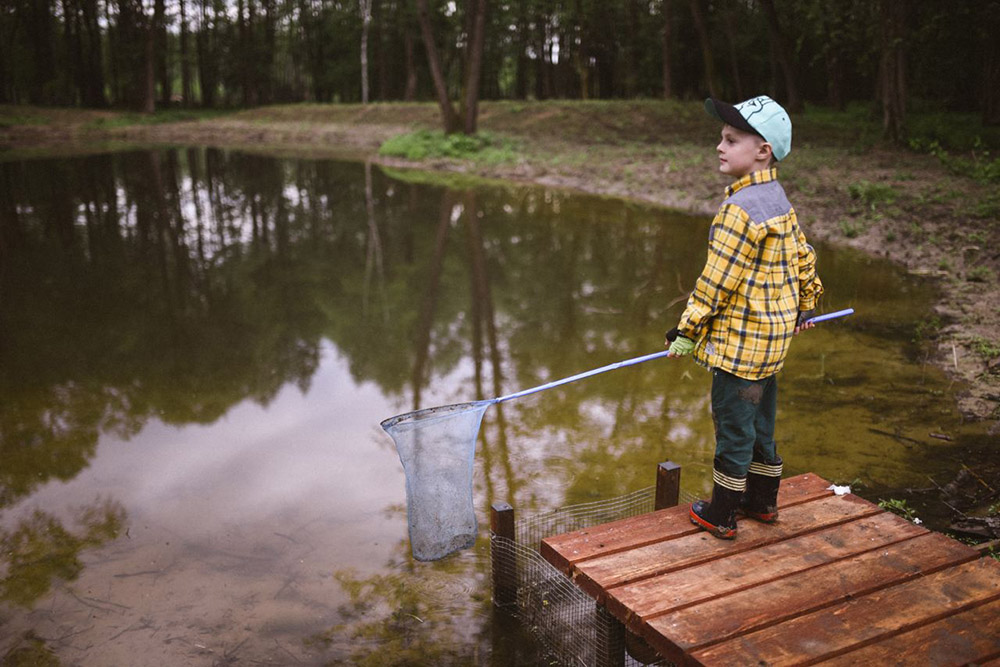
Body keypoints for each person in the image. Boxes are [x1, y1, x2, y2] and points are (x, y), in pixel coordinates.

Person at [664, 95, 824, 540]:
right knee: (761, 426)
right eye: (721, 137)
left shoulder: (739, 210)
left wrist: (686, 330)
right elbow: (803, 257)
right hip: (772, 345)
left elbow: (716, 283)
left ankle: (722, 513)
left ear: (762, 151)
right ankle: (764, 503)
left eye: (731, 139)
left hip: (739, 351)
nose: (720, 145)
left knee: (733, 430)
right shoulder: (776, 199)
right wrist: (806, 304)